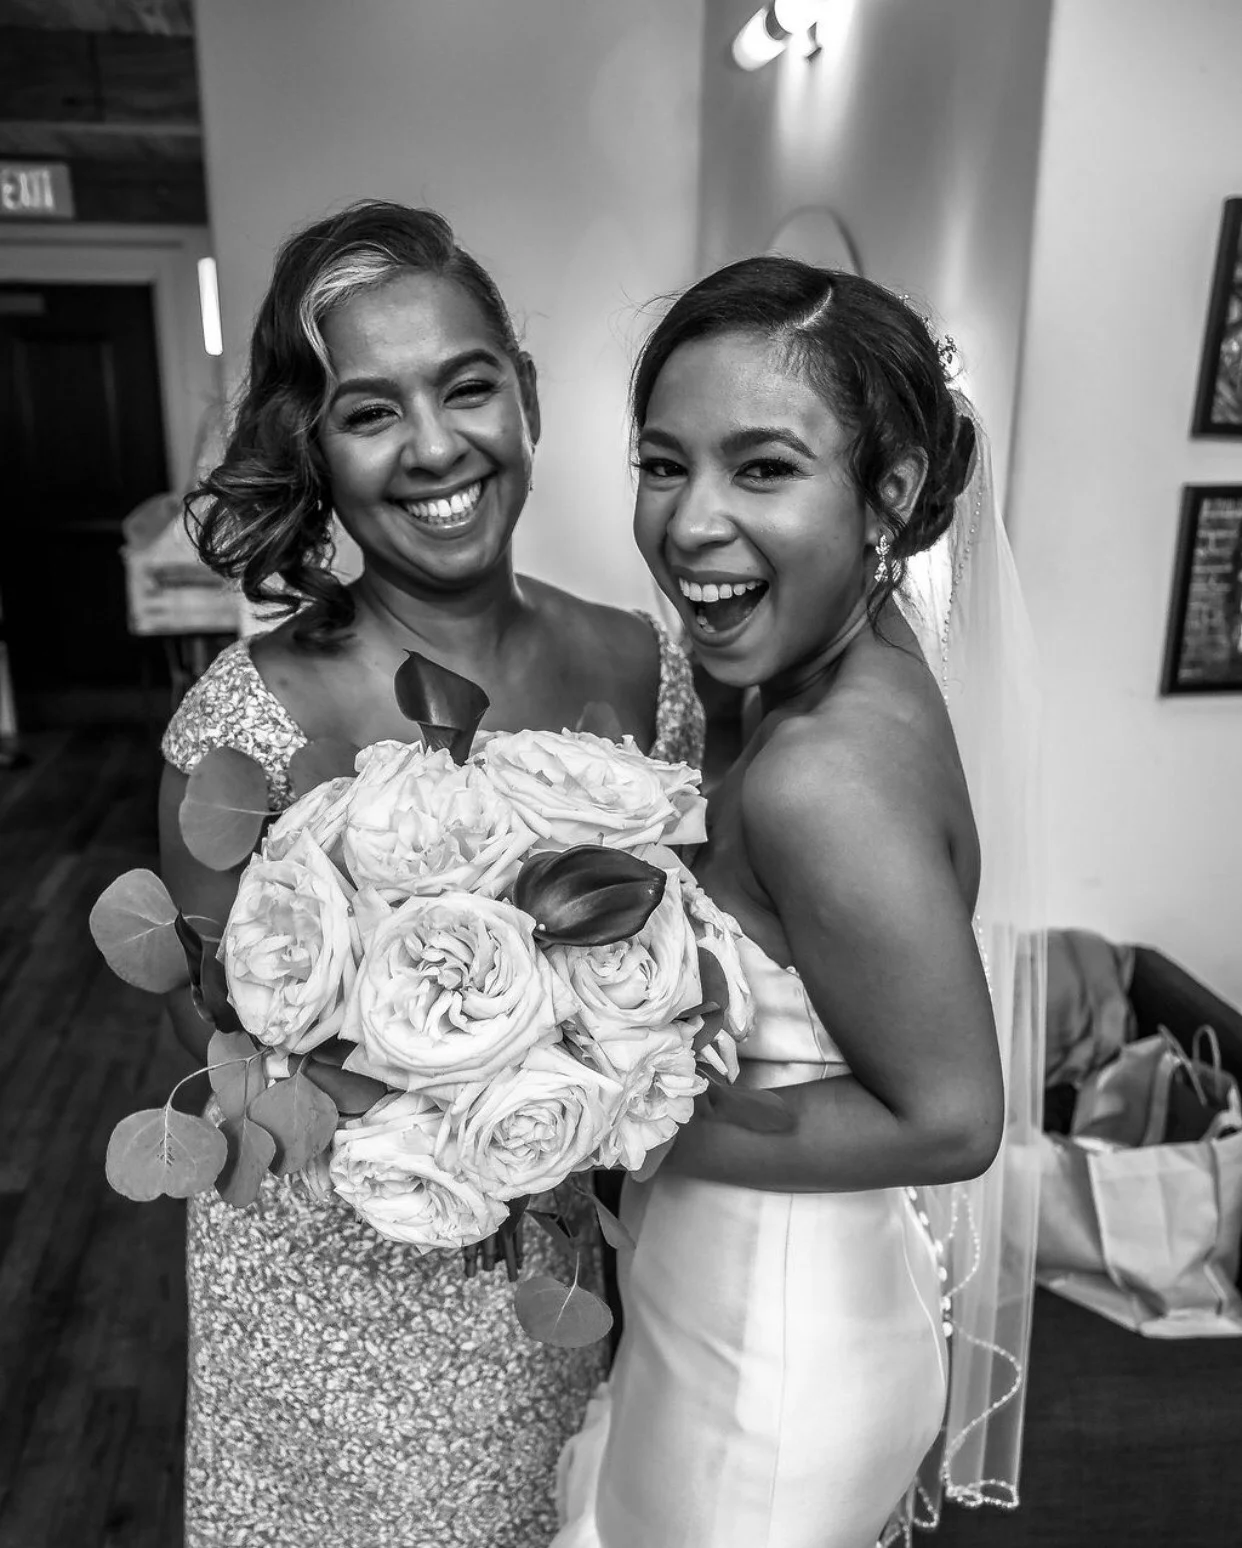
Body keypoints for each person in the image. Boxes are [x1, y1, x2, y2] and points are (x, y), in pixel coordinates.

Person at [158, 200, 704, 1548]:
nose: (435, 446)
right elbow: (207, 1031)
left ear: (527, 398)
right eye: (370, 411)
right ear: (314, 447)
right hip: (329, 1318)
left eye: (466, 387)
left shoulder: (645, 667)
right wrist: (437, 1075)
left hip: (550, 1275)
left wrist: (584, 1067)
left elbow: (678, 962)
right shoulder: (245, 722)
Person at [555, 258, 1045, 1548]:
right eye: (664, 465)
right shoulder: (844, 673)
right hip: (761, 1296)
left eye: (763, 468)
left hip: (768, 1362)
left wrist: (585, 1115)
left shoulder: (821, 775)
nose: (691, 524)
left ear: (892, 493)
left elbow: (951, 1119)